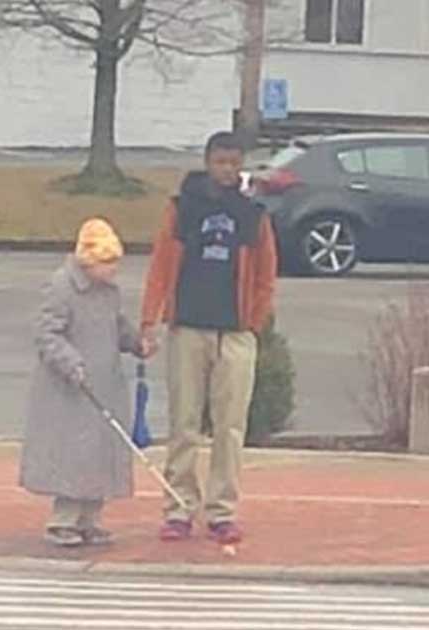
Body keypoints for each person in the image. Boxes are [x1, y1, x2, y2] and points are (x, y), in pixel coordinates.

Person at [141, 131, 278, 545]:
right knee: (184, 423)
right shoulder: (183, 208)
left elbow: (266, 274)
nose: (227, 170)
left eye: (234, 163)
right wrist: (151, 318)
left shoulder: (252, 214)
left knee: (229, 427)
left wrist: (254, 321)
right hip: (189, 326)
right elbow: (163, 264)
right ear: (207, 162)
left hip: (234, 332)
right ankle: (178, 507)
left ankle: (222, 510)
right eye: (220, 162)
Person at [20, 217, 155, 548]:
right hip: (71, 388)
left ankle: (91, 518)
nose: (112, 271)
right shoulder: (60, 287)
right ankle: (63, 519)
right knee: (73, 452)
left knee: (101, 452)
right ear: (89, 261)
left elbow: (116, 326)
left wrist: (137, 343)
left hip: (104, 383)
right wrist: (71, 363)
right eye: (107, 264)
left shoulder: (108, 292)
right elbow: (47, 333)